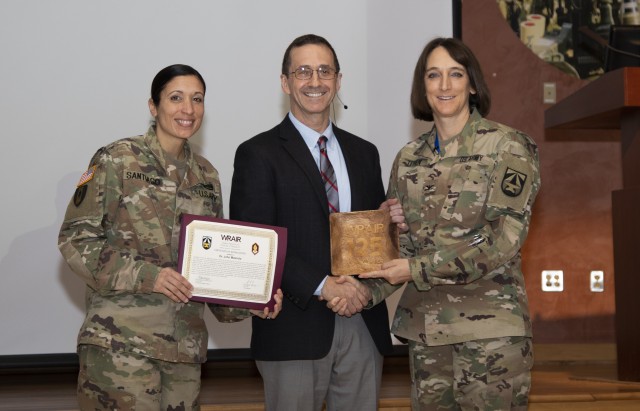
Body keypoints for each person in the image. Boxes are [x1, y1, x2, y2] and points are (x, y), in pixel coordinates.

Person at [58, 64, 282, 411]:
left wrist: (254, 299)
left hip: (183, 354)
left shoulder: (207, 176)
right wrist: (151, 276)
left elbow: (214, 266)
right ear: (154, 106)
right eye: (176, 98)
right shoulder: (115, 159)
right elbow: (75, 240)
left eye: (197, 99)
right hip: (121, 347)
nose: (188, 109)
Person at [357, 38, 541, 410]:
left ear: (472, 84)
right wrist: (359, 290)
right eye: (434, 75)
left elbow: (502, 240)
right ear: (422, 88)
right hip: (427, 334)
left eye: (455, 74)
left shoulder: (508, 147)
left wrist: (415, 267)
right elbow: (402, 244)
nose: (444, 85)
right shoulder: (408, 158)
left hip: (489, 333)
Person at [229, 34, 406, 411]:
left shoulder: (364, 153)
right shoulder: (257, 153)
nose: (315, 81)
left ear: (338, 81)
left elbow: (371, 235)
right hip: (293, 329)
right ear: (285, 82)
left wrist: (392, 225)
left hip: (362, 319)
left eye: (325, 71)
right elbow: (255, 244)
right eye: (303, 71)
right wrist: (323, 286)